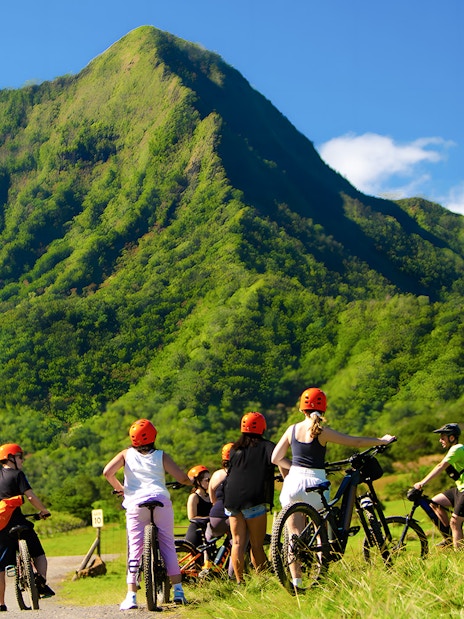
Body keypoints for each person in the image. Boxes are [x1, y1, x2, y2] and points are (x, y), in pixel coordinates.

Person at [271, 387, 396, 590]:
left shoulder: (291, 430)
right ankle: (321, 577)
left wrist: (295, 466)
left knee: (294, 535)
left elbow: (275, 458)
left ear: (302, 409)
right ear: (324, 409)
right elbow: (355, 441)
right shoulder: (322, 431)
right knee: (322, 534)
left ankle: (297, 584)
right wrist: (381, 441)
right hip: (314, 483)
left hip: (292, 484)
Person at [103, 419, 192, 610]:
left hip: (136, 504)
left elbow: (107, 472)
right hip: (160, 501)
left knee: (135, 548)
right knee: (168, 544)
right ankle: (178, 592)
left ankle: (131, 596)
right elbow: (182, 478)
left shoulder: (125, 455)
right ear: (154, 436)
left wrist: (122, 489)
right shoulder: (161, 456)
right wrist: (192, 481)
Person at [223, 412, 277, 584]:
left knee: (237, 542)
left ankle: (240, 582)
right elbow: (277, 461)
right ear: (262, 427)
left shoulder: (234, 449)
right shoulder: (268, 446)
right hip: (254, 498)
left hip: (232, 499)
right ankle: (262, 581)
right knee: (256, 544)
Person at [0, 443, 54, 612]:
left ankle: (1, 604)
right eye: (19, 456)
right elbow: (30, 497)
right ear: (11, 458)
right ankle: (41, 580)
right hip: (19, 524)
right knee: (39, 554)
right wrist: (43, 510)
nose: (22, 460)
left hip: (1, 528)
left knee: (0, 567)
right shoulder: (17, 475)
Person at [413, 423, 464, 550]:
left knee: (455, 522)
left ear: (451, 438)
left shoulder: (457, 448)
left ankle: (459, 556)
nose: (440, 440)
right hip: (459, 488)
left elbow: (441, 466)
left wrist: (422, 483)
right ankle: (449, 537)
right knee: (434, 502)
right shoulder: (454, 450)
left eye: (442, 437)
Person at [185, 465, 212, 548]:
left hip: (208, 532)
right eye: (207, 480)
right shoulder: (194, 497)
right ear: (198, 482)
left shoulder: (210, 496)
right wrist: (210, 518)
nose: (209, 482)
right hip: (196, 532)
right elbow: (192, 517)